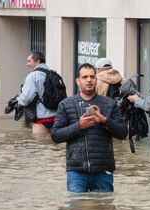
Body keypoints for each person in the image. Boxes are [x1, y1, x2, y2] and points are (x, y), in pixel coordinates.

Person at [51, 63, 128, 193]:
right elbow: (55, 135)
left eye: (92, 77)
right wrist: (78, 126)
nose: (89, 80)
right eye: (85, 77)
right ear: (77, 81)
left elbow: (123, 133)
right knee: (78, 209)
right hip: (76, 170)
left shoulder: (109, 103)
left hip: (103, 169)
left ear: (96, 80)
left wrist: (104, 120)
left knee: (104, 209)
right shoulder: (65, 104)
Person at [17, 51, 56, 134]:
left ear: (38, 61)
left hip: (41, 119)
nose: (27, 64)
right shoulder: (53, 74)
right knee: (53, 146)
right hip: (56, 119)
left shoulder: (33, 76)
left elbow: (26, 98)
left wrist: (18, 100)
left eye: (29, 61)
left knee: (39, 146)